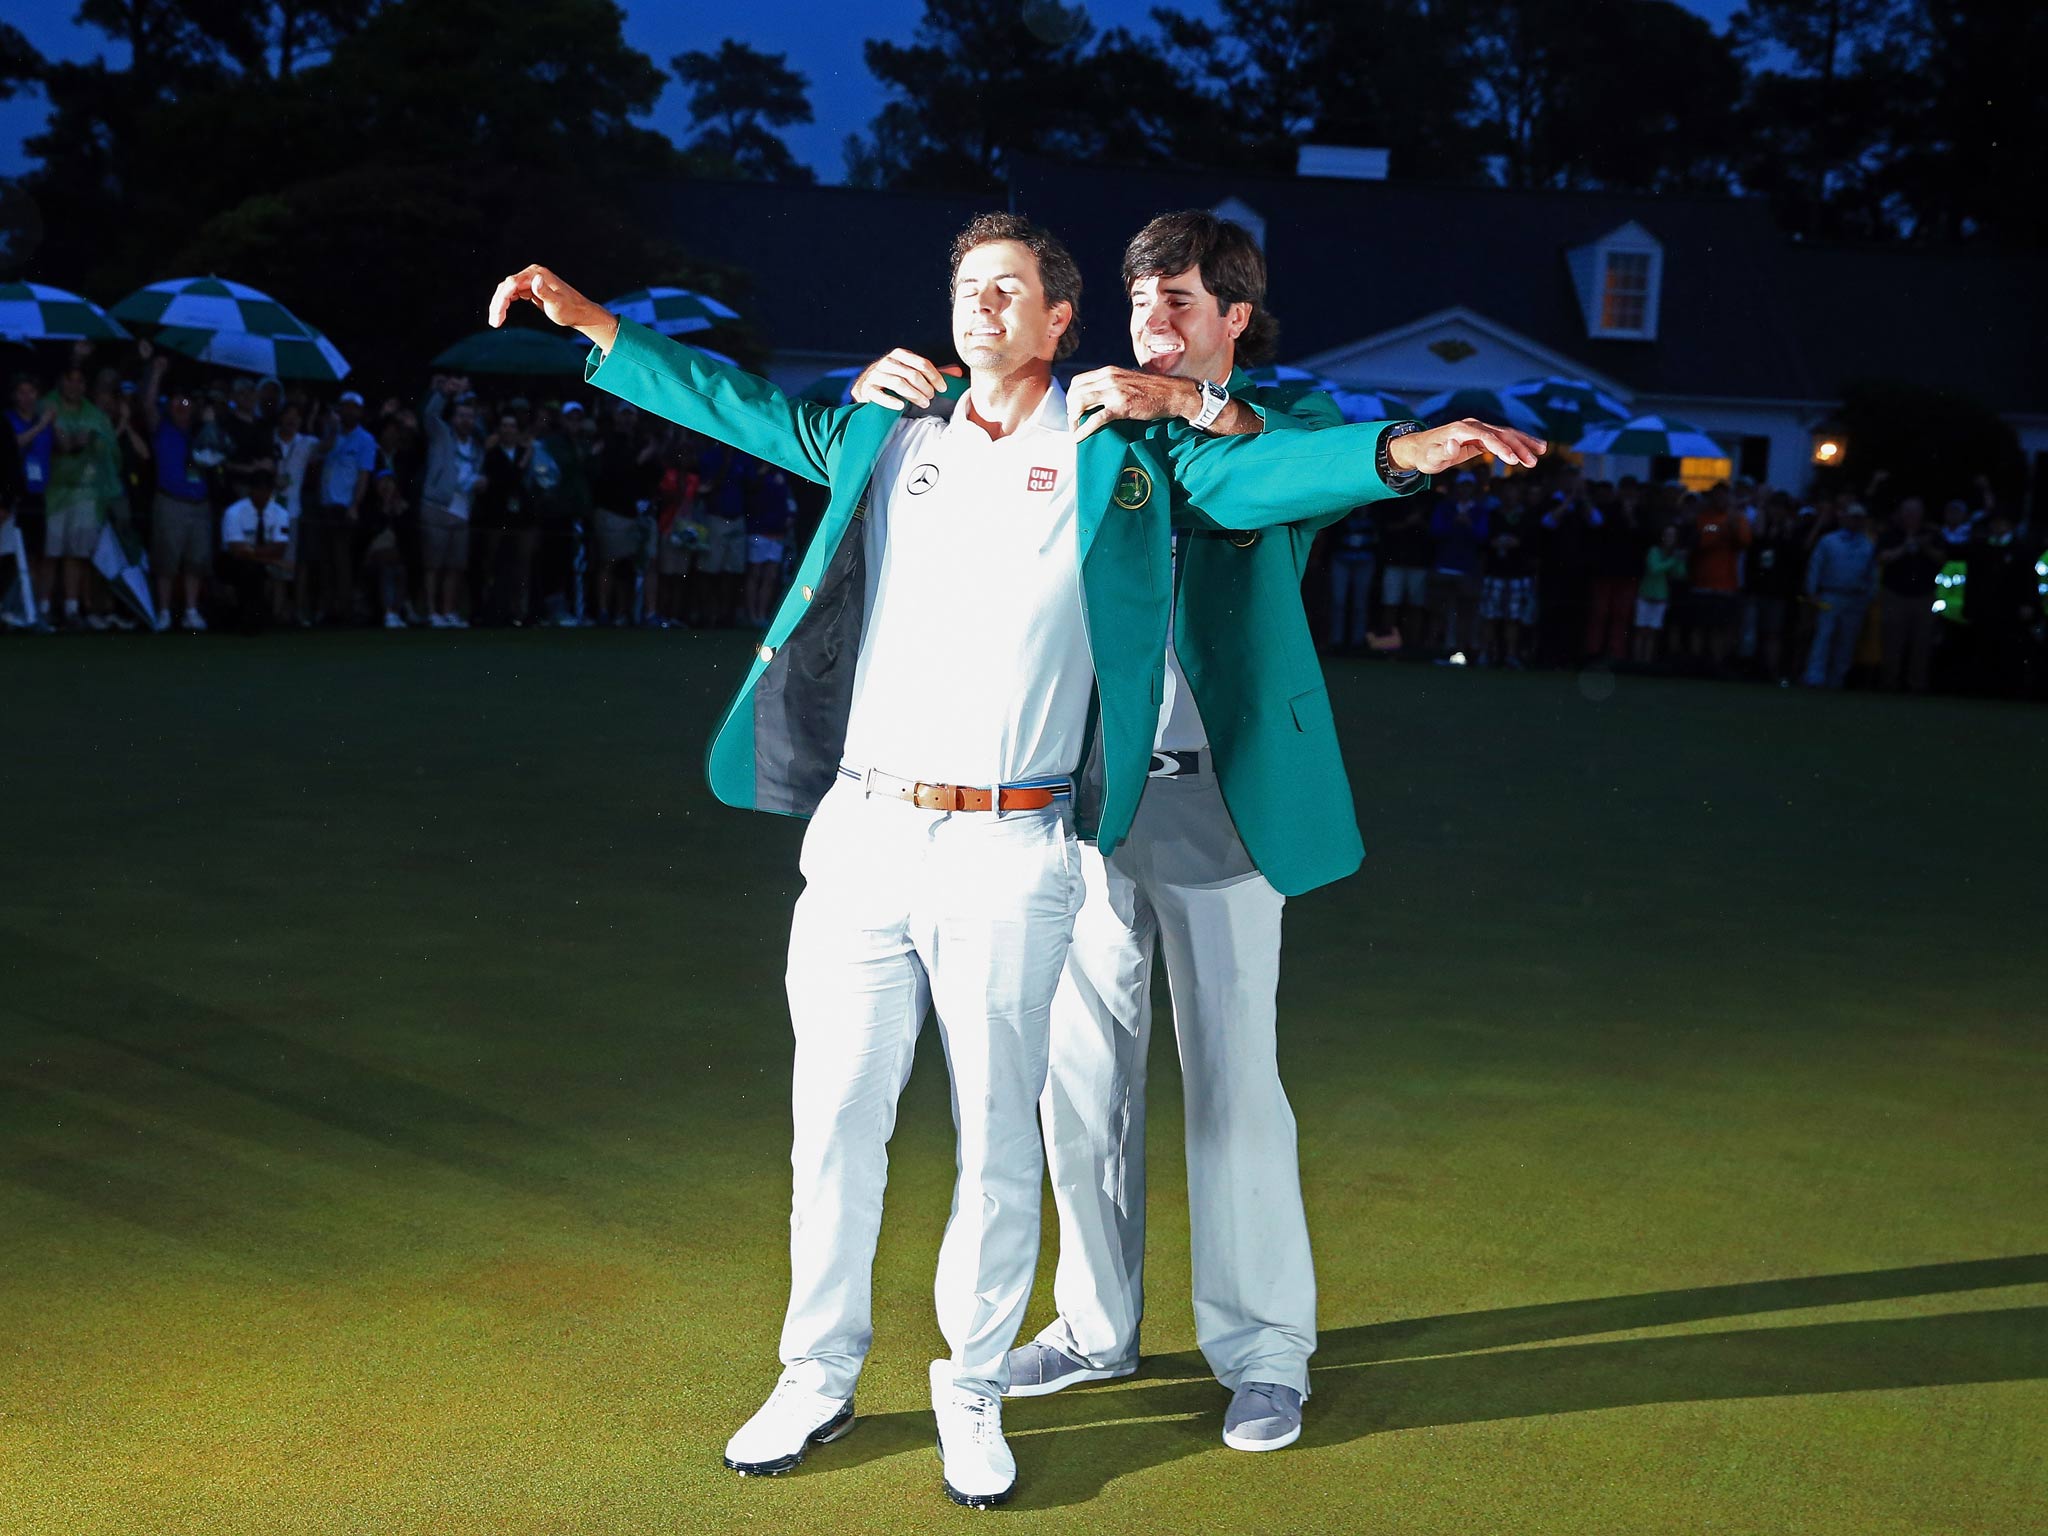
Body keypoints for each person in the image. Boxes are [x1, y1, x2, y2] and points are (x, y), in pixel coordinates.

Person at [488, 209, 1514, 1505]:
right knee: (853, 1123)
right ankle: (831, 1369)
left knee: (1030, 1132)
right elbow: (739, 407)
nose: (982, 308)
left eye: (1011, 289)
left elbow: (1261, 478)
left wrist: (1408, 451)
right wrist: (597, 329)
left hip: (1042, 830)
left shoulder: (1121, 452)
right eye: (968, 287)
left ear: (1058, 319)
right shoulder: (887, 426)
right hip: (882, 829)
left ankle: (1013, 1381)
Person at [847, 210, 1541, 1459]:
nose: (1151, 326)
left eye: (1179, 306)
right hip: (1083, 798)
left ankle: (1264, 1353)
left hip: (1219, 797)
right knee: (1079, 1085)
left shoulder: (1247, 430)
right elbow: (958, 443)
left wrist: (1404, 450)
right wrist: (876, 391)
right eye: (1137, 305)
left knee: (1231, 1087)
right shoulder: (1098, 423)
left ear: (1234, 320)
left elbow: (1279, 470)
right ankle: (1094, 1324)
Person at [42, 362, 115, 630]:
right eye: (70, 380)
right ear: (62, 382)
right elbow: (62, 443)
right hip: (54, 491)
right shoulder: (47, 405)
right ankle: (43, 607)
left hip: (85, 494)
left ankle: (72, 609)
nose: (75, 386)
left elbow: (106, 448)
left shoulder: (93, 414)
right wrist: (74, 442)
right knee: (50, 552)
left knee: (76, 554)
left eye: (80, 382)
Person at [308, 390, 378, 624]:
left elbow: (363, 476)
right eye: (345, 406)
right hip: (324, 505)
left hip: (344, 506)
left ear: (360, 411)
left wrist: (355, 505)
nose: (348, 411)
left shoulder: (366, 439)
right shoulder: (330, 434)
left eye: (353, 407)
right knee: (324, 560)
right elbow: (316, 457)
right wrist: (330, 430)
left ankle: (344, 610)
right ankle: (326, 609)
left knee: (342, 560)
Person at [1802, 502, 1878, 688]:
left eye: (1859, 518)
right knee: (1824, 636)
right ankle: (1815, 676)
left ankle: (1837, 678)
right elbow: (1815, 567)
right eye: (1853, 517)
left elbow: (1873, 573)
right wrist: (1812, 591)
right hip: (1830, 595)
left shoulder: (1868, 545)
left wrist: (1869, 596)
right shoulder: (1829, 541)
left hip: (1855, 598)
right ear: (1844, 518)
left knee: (1847, 641)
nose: (1856, 522)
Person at [474, 412, 536, 625]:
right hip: (496, 518)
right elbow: (508, 479)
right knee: (492, 564)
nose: (508, 430)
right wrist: (524, 459)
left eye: (512, 426)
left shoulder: (524, 451)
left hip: (522, 519)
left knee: (521, 567)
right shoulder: (492, 454)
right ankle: (490, 611)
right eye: (504, 425)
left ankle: (519, 612)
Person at [1876, 496, 1939, 692]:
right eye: (1907, 513)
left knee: (1921, 643)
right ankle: (1889, 683)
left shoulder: (1931, 535)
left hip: (1923, 595)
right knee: (1892, 641)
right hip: (1895, 594)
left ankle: (1916, 685)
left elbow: (1942, 558)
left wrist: (1924, 545)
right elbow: (1882, 558)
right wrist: (1905, 547)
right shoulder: (1891, 534)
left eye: (1915, 513)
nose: (1911, 517)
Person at [219, 468, 290, 634]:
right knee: (248, 570)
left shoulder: (280, 513)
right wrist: (271, 560)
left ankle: (257, 619)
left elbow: (280, 548)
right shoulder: (234, 513)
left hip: (259, 561)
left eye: (268, 490)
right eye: (260, 490)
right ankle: (246, 619)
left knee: (255, 571)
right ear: (252, 490)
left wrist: (252, 551)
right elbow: (236, 551)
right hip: (231, 562)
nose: (264, 495)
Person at [1427, 472, 1488, 659]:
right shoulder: (1445, 507)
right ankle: (1435, 650)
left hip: (1466, 570)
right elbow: (1435, 531)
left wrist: (1468, 523)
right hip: (1443, 568)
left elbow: (1483, 536)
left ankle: (1459, 651)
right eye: (1462, 486)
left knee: (1464, 613)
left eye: (1469, 486)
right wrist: (1454, 522)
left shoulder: (1479, 510)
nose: (1465, 490)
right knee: (1439, 613)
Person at [1480, 479, 1536, 667]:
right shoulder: (1493, 515)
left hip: (1517, 574)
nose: (1509, 495)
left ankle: (1511, 655)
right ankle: (1488, 654)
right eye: (1506, 491)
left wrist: (1518, 544)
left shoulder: (1527, 516)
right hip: (1494, 573)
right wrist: (1492, 544)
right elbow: (1482, 540)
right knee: (1490, 616)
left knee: (1513, 617)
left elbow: (1533, 544)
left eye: (1513, 491)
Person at [742, 457, 796, 626]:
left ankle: (762, 614)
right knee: (755, 574)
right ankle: (751, 615)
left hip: (778, 532)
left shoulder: (782, 472)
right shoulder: (754, 469)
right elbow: (749, 492)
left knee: (770, 576)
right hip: (758, 531)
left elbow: (788, 498)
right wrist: (761, 472)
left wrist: (790, 516)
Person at [1324, 504, 1377, 652]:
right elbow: (1332, 532)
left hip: (1365, 559)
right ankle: (1336, 641)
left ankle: (1357, 642)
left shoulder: (1373, 510)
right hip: (1341, 558)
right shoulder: (1342, 506)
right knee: (1338, 601)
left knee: (1360, 602)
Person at [1633, 522, 1687, 665]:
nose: (1669, 538)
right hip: (1645, 595)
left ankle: (1646, 663)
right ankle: (1637, 663)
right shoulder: (1654, 551)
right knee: (1641, 630)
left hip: (1661, 598)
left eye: (1673, 535)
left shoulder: (1672, 555)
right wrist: (1674, 560)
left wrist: (1680, 560)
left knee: (1652, 632)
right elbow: (1654, 569)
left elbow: (1680, 574)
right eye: (1667, 534)